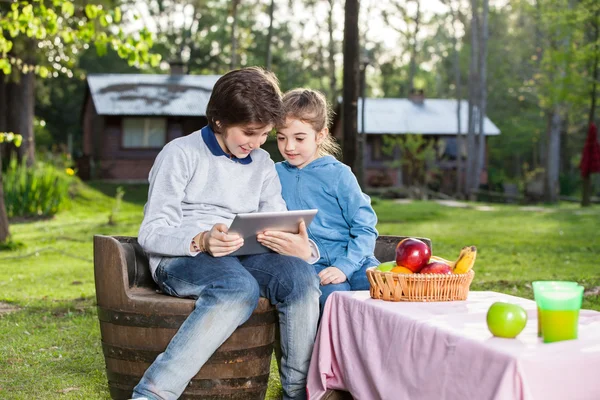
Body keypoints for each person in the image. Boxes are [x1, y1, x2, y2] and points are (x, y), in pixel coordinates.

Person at [133, 68, 321, 400]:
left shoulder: (262, 163)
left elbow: (276, 218)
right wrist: (201, 239)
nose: (258, 143)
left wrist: (300, 246)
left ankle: (298, 393)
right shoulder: (180, 154)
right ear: (219, 121)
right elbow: (152, 233)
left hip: (243, 254)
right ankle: (152, 394)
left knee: (302, 277)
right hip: (181, 258)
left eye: (264, 134)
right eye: (249, 133)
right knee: (237, 288)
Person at [258, 88, 379, 311]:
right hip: (312, 266)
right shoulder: (274, 175)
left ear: (321, 135)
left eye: (299, 138)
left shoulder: (339, 174)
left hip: (357, 261)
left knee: (377, 297)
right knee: (335, 300)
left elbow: (365, 228)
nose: (289, 147)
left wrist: (345, 266)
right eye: (282, 138)